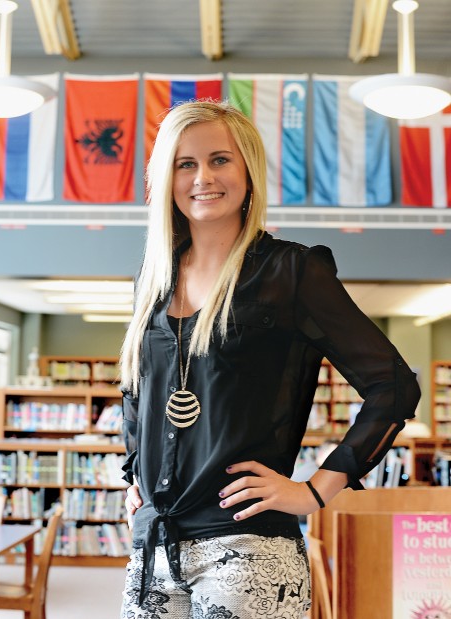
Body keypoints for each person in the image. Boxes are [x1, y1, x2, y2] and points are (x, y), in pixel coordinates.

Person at [119, 100, 420, 619]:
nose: (202, 177)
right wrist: (134, 476)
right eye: (186, 164)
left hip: (248, 547)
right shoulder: (152, 279)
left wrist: (316, 491)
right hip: (155, 545)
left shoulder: (291, 272)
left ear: (248, 171)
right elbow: (137, 389)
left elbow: (393, 386)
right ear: (166, 177)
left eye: (220, 159)